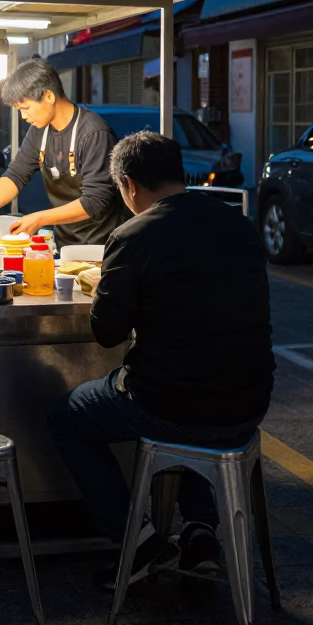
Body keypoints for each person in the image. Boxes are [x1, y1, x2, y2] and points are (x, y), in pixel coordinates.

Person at [48, 130, 275, 583]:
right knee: (197, 385)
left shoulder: (134, 234)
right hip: (250, 403)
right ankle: (199, 531)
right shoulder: (237, 224)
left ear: (129, 185)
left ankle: (139, 542)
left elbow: (106, 332)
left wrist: (106, 285)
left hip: (173, 405)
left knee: (68, 417)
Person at [0, 58, 122, 247]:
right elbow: (17, 173)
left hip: (101, 247)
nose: (24, 116)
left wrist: (40, 218)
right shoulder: (40, 130)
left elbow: (95, 201)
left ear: (49, 96)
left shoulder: (94, 133)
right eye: (19, 110)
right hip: (65, 244)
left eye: (25, 108)